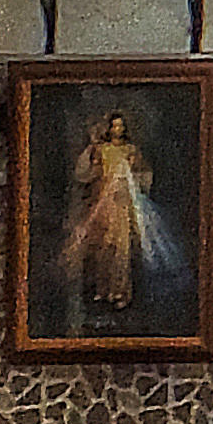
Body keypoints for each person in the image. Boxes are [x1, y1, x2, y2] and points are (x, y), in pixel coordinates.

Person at [62, 111, 174, 324]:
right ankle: (103, 290)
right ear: (109, 128)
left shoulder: (131, 150)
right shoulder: (102, 150)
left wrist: (133, 179)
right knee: (104, 248)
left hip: (124, 206)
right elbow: (86, 175)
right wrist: (92, 152)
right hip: (104, 204)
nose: (118, 130)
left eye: (121, 126)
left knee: (122, 250)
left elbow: (144, 176)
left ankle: (121, 293)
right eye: (114, 126)